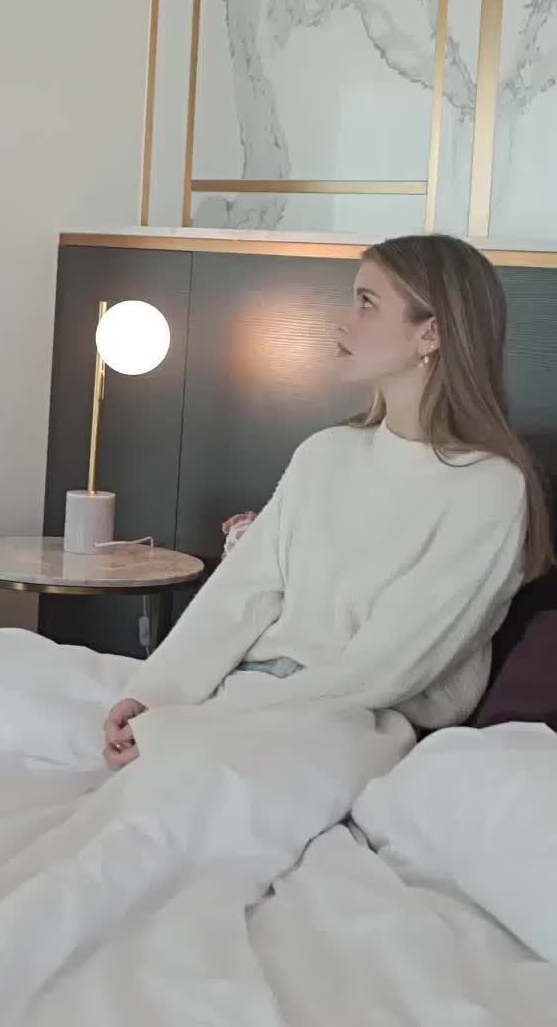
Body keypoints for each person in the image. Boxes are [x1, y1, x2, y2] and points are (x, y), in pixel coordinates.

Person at [103, 235, 551, 771]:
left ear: (429, 333)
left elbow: (388, 666)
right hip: (247, 688)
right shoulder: (326, 453)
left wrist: (197, 726)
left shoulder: (488, 488)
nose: (343, 321)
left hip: (351, 720)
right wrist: (154, 694)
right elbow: (240, 593)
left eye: (367, 303)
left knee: (186, 800)